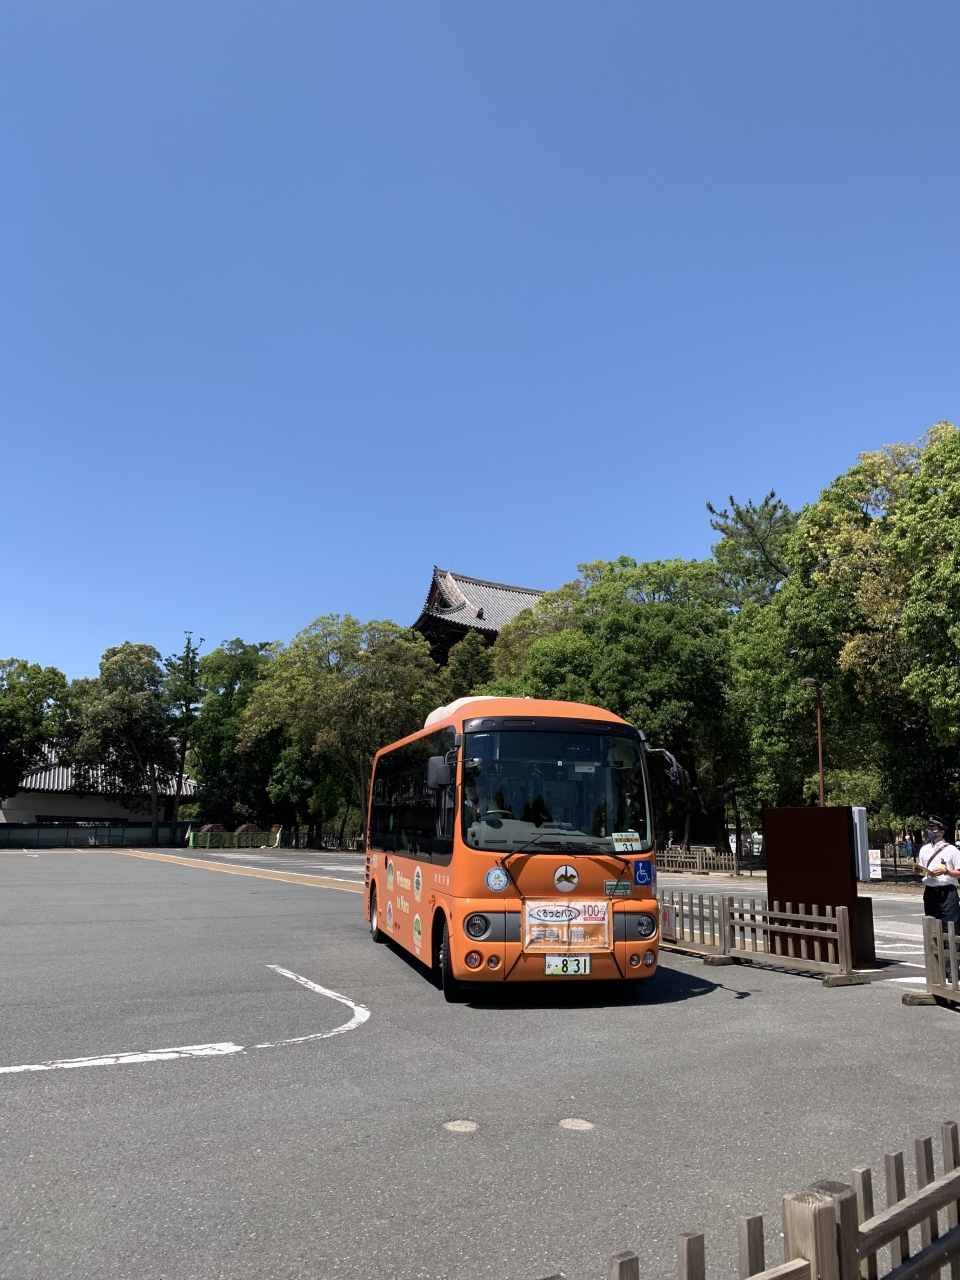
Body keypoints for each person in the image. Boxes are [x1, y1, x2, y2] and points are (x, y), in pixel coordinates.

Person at [918, 816, 960, 927]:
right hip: (930, 891)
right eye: (929, 828)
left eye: (933, 829)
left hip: (947, 892)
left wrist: (945, 871)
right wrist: (919, 871)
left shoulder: (952, 850)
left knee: (950, 926)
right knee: (932, 925)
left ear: (941, 832)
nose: (930, 831)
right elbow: (922, 870)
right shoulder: (924, 849)